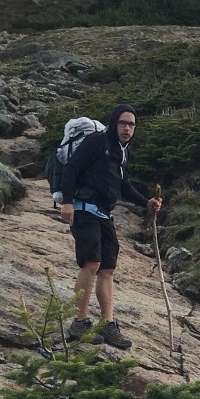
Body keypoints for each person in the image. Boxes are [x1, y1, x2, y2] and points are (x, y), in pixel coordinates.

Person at [58, 103, 162, 349]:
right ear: (114, 123)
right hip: (84, 209)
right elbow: (71, 168)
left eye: (131, 125)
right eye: (123, 123)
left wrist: (146, 203)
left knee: (107, 269)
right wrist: (68, 202)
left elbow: (123, 185)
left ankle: (107, 323)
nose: (127, 128)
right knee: (91, 263)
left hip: (105, 214)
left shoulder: (123, 152)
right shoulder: (97, 142)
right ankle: (80, 322)